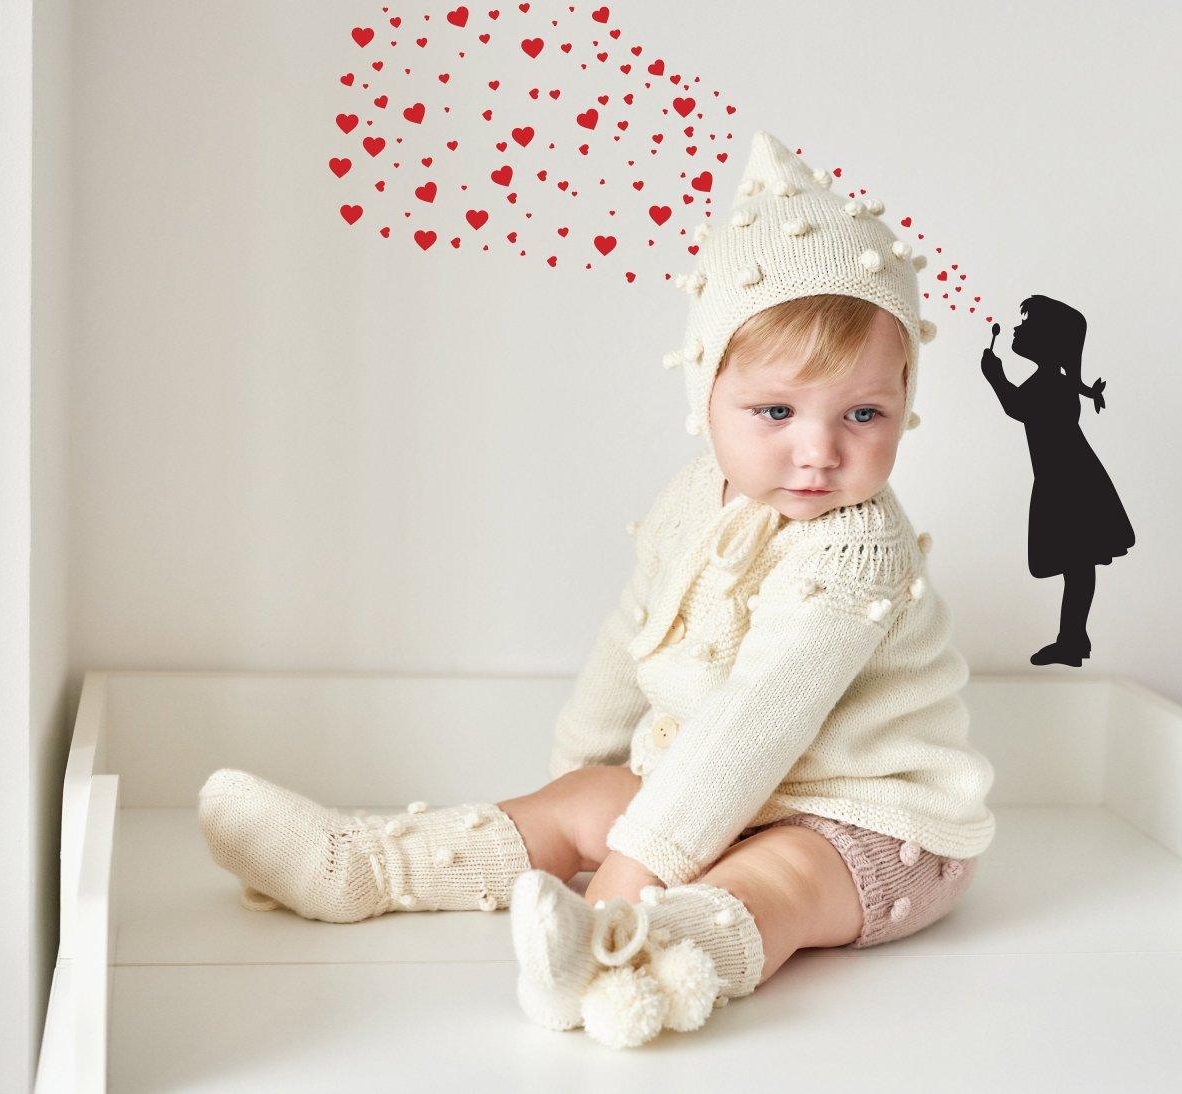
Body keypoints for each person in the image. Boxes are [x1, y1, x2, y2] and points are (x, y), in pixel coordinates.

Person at [197, 131, 996, 1050]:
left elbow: (757, 720)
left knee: (778, 882)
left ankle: (630, 957)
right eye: (776, 411)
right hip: (716, 793)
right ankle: (365, 867)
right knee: (581, 803)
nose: (819, 450)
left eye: (864, 414)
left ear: (904, 402)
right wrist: (580, 773)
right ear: (707, 396)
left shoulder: (857, 549)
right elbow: (634, 635)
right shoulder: (693, 499)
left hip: (870, 826)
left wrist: (632, 868)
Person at [980, 295, 1135, 666]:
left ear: (1048, 340)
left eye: (1027, 324)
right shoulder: (1052, 380)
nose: (1017, 328)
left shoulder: (1047, 383)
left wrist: (996, 377)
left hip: (1067, 482)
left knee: (1078, 566)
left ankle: (1071, 641)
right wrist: (1089, 391)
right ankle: (1073, 640)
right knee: (1078, 568)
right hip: (1070, 478)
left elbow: (1018, 408)